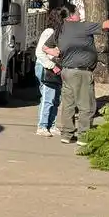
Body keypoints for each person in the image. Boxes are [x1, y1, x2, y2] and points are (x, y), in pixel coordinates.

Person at [44, 6, 109, 146]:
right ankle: (84, 136)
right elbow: (108, 24)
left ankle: (67, 134)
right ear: (72, 16)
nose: (80, 15)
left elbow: (45, 47)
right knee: (87, 105)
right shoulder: (82, 26)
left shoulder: (60, 29)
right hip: (82, 73)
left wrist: (59, 54)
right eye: (78, 12)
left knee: (69, 104)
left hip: (66, 72)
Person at [34, 8, 69, 137]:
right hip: (45, 67)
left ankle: (51, 125)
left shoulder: (60, 33)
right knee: (48, 97)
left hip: (56, 68)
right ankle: (42, 126)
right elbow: (39, 52)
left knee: (56, 98)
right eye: (66, 18)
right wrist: (51, 65)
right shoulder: (49, 32)